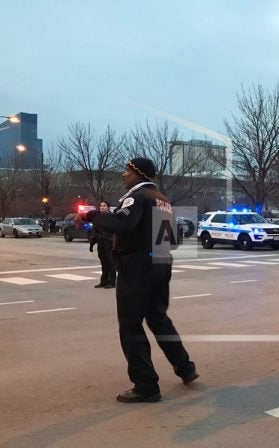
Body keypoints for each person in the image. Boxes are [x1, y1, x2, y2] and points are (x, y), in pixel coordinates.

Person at [85, 157, 198, 403]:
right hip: (161, 263)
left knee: (130, 325)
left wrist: (93, 215)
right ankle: (185, 367)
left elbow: (124, 225)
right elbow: (174, 240)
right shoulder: (163, 200)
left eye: (127, 170)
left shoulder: (137, 197)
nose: (123, 174)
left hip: (137, 267)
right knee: (158, 318)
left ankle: (146, 385)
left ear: (138, 174)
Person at [89, 201, 117, 289]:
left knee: (111, 263)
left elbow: (115, 231)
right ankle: (103, 281)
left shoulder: (112, 217)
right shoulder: (97, 218)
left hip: (109, 243)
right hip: (101, 243)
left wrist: (114, 243)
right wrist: (92, 244)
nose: (102, 207)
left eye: (104, 206)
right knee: (103, 263)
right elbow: (95, 232)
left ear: (108, 207)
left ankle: (111, 282)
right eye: (101, 206)